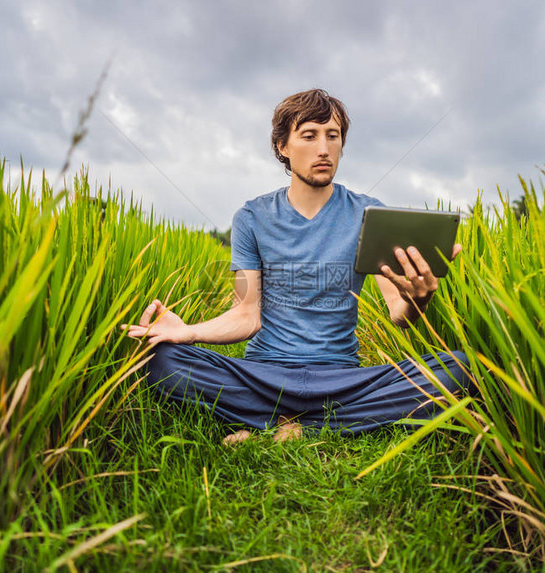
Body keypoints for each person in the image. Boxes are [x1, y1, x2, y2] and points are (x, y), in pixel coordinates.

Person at [122, 88, 471, 444]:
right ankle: (314, 422)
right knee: (164, 360)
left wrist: (417, 300)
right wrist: (190, 332)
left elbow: (398, 312)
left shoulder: (370, 214)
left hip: (339, 380)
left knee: (456, 368)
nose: (324, 148)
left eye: (332, 136)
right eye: (309, 135)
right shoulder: (251, 217)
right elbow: (247, 315)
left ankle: (278, 424)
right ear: (282, 147)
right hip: (263, 376)